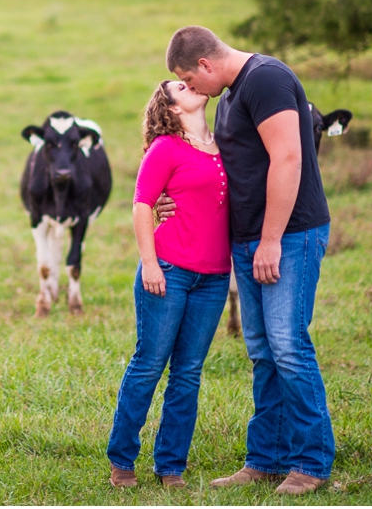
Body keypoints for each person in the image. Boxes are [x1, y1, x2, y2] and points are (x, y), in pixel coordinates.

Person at [162, 25, 334, 496]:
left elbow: (289, 158)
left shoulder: (267, 79)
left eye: (190, 80)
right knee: (262, 353)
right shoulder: (232, 93)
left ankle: (312, 463)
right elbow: (227, 166)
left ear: (205, 65)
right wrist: (168, 199)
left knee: (288, 347)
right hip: (250, 239)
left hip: (289, 235)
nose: (192, 90)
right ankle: (266, 458)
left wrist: (272, 239)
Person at [107, 80, 231, 489]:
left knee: (189, 372)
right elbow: (142, 204)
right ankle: (122, 460)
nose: (190, 84)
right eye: (180, 85)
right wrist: (149, 265)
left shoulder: (224, 143)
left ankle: (170, 466)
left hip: (213, 278)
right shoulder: (165, 148)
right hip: (168, 270)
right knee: (149, 364)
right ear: (173, 106)